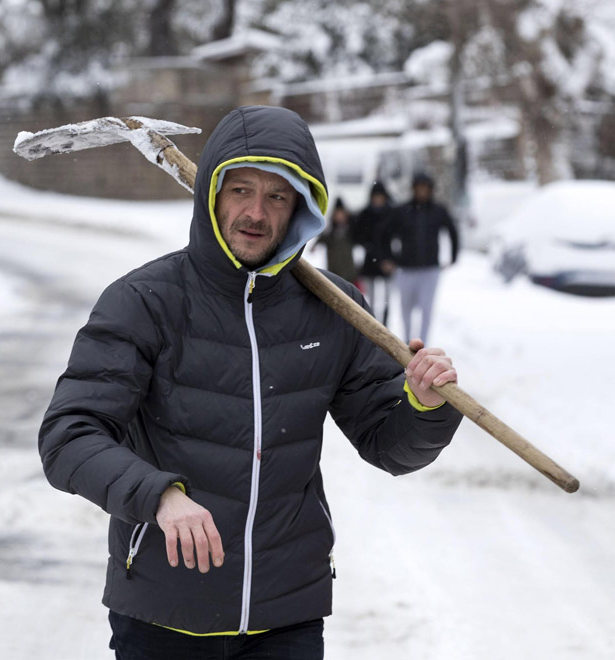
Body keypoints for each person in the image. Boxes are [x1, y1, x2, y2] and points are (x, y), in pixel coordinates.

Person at [38, 106, 463, 660]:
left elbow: (392, 447)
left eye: (278, 197)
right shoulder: (146, 301)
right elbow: (69, 435)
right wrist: (159, 495)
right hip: (164, 614)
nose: (255, 212)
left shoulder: (333, 309)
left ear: (302, 209)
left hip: (285, 615)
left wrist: (424, 406)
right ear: (212, 194)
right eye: (240, 190)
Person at [384, 173, 459, 344]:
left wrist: (453, 256)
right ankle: (407, 342)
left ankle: (423, 343)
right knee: (406, 308)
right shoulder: (402, 211)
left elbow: (453, 231)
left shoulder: (438, 211)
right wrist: (388, 258)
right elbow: (385, 233)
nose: (422, 192)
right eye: (419, 188)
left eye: (425, 188)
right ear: (413, 189)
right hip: (406, 268)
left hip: (430, 269)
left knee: (426, 308)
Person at [352, 181, 394, 324]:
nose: (377, 199)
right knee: (370, 299)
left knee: (387, 300)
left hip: (388, 262)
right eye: (375, 196)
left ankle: (385, 325)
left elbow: (397, 238)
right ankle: (374, 326)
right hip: (370, 262)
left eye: (380, 196)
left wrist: (390, 260)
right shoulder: (365, 214)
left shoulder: (392, 214)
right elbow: (357, 237)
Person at [314, 198, 359, 285]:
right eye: (337, 214)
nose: (339, 216)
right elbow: (322, 239)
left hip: (348, 271)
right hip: (334, 270)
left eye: (341, 214)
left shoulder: (350, 230)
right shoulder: (330, 232)